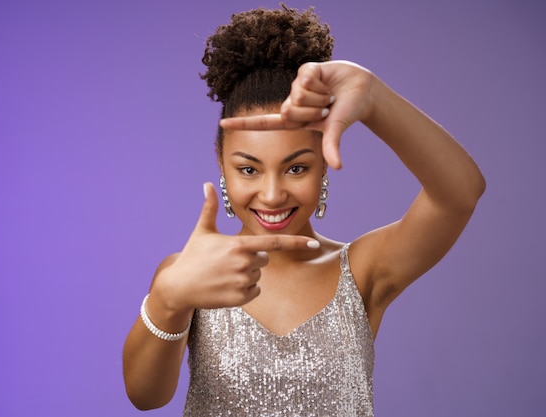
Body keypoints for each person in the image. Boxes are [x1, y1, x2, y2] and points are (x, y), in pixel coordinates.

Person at [122, 4, 485, 416]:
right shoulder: (189, 273)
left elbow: (461, 193)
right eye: (249, 169)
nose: (273, 194)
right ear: (221, 165)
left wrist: (374, 98)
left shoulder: (363, 270)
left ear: (324, 163)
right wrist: (169, 298)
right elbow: (145, 397)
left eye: (296, 167)